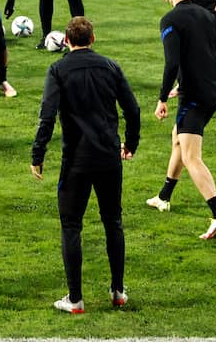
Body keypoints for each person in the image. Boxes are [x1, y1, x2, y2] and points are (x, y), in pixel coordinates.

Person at [30, 16, 140, 314]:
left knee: (71, 226)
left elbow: (47, 115)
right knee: (112, 221)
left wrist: (37, 155)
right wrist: (130, 143)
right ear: (93, 39)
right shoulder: (110, 66)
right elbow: (132, 108)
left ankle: (75, 299)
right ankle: (118, 291)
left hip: (76, 161)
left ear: (66, 41)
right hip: (108, 158)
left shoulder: (58, 70)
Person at [145, 0, 216, 240]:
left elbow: (172, 63)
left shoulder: (170, 20)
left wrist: (162, 98)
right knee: (178, 140)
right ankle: (164, 197)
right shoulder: (208, 16)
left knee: (191, 156)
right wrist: (209, 85)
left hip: (194, 96)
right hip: (211, 92)